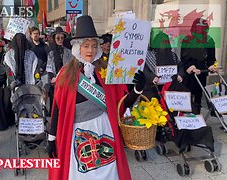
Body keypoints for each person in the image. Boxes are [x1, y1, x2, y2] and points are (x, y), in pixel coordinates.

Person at [47, 15, 146, 180]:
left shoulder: (105, 71)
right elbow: (57, 107)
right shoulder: (65, 73)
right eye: (86, 46)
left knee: (107, 171)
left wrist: (137, 89)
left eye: (94, 46)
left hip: (104, 130)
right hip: (77, 135)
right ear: (78, 48)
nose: (90, 50)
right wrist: (52, 138)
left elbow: (121, 105)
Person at [181, 18, 217, 114]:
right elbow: (183, 57)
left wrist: (211, 65)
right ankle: (185, 115)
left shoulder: (209, 40)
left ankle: (196, 114)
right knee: (187, 93)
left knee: (198, 94)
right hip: (189, 71)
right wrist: (189, 66)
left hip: (201, 71)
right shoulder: (187, 40)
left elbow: (211, 57)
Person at [143, 32, 184, 100]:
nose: (163, 45)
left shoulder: (173, 55)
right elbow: (144, 70)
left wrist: (180, 75)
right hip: (152, 89)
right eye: (161, 42)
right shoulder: (149, 56)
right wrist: (152, 77)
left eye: (165, 42)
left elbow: (180, 66)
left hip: (170, 89)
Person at [45, 27, 73, 112]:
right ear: (54, 39)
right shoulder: (51, 52)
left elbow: (71, 66)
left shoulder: (69, 52)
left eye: (62, 38)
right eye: (58, 38)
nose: (60, 40)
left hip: (66, 80)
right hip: (55, 82)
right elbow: (49, 67)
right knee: (55, 103)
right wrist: (53, 78)